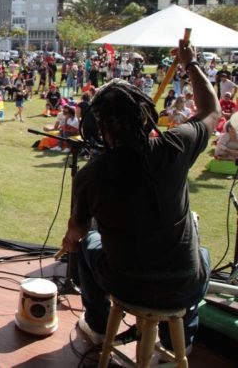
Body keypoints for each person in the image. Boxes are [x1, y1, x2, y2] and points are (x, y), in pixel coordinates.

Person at [61, 38, 218, 355]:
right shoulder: (177, 145)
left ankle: (97, 324)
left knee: (91, 243)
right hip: (182, 285)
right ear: (146, 115)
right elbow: (210, 110)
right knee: (199, 254)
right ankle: (179, 343)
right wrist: (191, 62)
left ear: (102, 126)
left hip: (125, 284)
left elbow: (77, 234)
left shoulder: (92, 173)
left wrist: (69, 241)